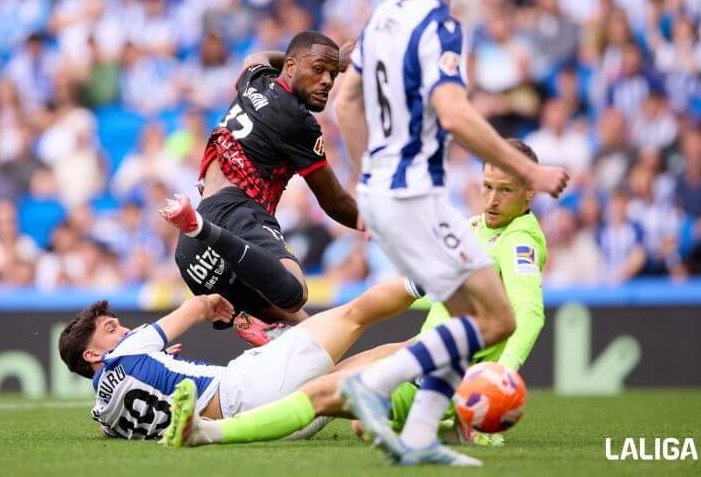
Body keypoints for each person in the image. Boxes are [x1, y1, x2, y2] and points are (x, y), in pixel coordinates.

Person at [333, 0, 568, 465]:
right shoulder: (439, 24)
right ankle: (378, 382)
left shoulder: (382, 13)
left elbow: (345, 101)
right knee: (497, 319)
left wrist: (366, 182)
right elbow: (457, 116)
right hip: (415, 192)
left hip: (385, 191)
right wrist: (531, 170)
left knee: (473, 320)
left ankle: (417, 437)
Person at [160, 140, 548, 456]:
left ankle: (209, 432)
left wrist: (504, 370)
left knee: (321, 392)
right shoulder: (476, 226)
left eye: (506, 190)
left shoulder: (520, 241)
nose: (493, 199)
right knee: (351, 406)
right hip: (425, 353)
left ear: (530, 192)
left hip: (453, 374)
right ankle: (457, 426)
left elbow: (529, 312)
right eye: (487, 187)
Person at [159, 31, 360, 338]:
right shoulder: (298, 122)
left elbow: (256, 57)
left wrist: (327, 61)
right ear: (290, 68)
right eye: (318, 70)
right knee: (295, 292)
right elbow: (334, 202)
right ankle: (202, 229)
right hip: (234, 214)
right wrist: (379, 223)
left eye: (332, 74)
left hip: (192, 253)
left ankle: (257, 326)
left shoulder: (255, 79)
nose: (328, 82)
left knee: (309, 336)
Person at [57, 278, 420, 441]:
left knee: (368, 363)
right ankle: (428, 280)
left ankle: (433, 348)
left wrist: (155, 366)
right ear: (93, 354)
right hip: (246, 387)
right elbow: (196, 307)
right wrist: (215, 302)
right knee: (354, 315)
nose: (122, 331)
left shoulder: (103, 410)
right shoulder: (129, 349)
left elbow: (108, 426)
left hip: (275, 427)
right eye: (110, 329)